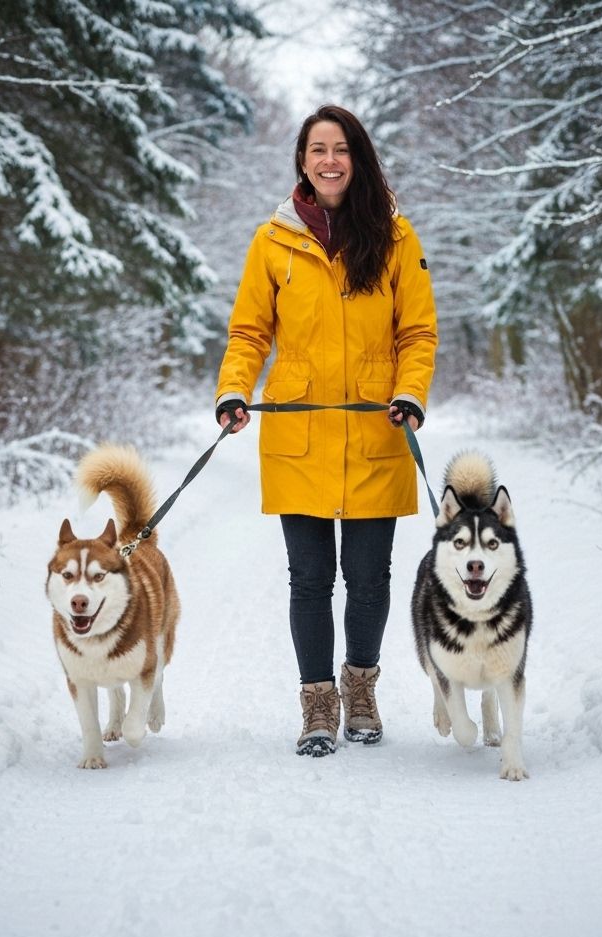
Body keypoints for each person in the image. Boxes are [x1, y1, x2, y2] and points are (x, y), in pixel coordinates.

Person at [214, 104, 438, 756]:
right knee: (309, 579)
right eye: (318, 149)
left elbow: (417, 333)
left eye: (340, 149)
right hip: (300, 433)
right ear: (303, 160)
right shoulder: (273, 241)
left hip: (375, 430)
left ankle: (360, 687)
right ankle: (318, 703)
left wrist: (409, 393)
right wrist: (234, 389)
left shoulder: (396, 237)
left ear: (357, 157)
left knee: (369, 578)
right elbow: (250, 332)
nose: (329, 160)